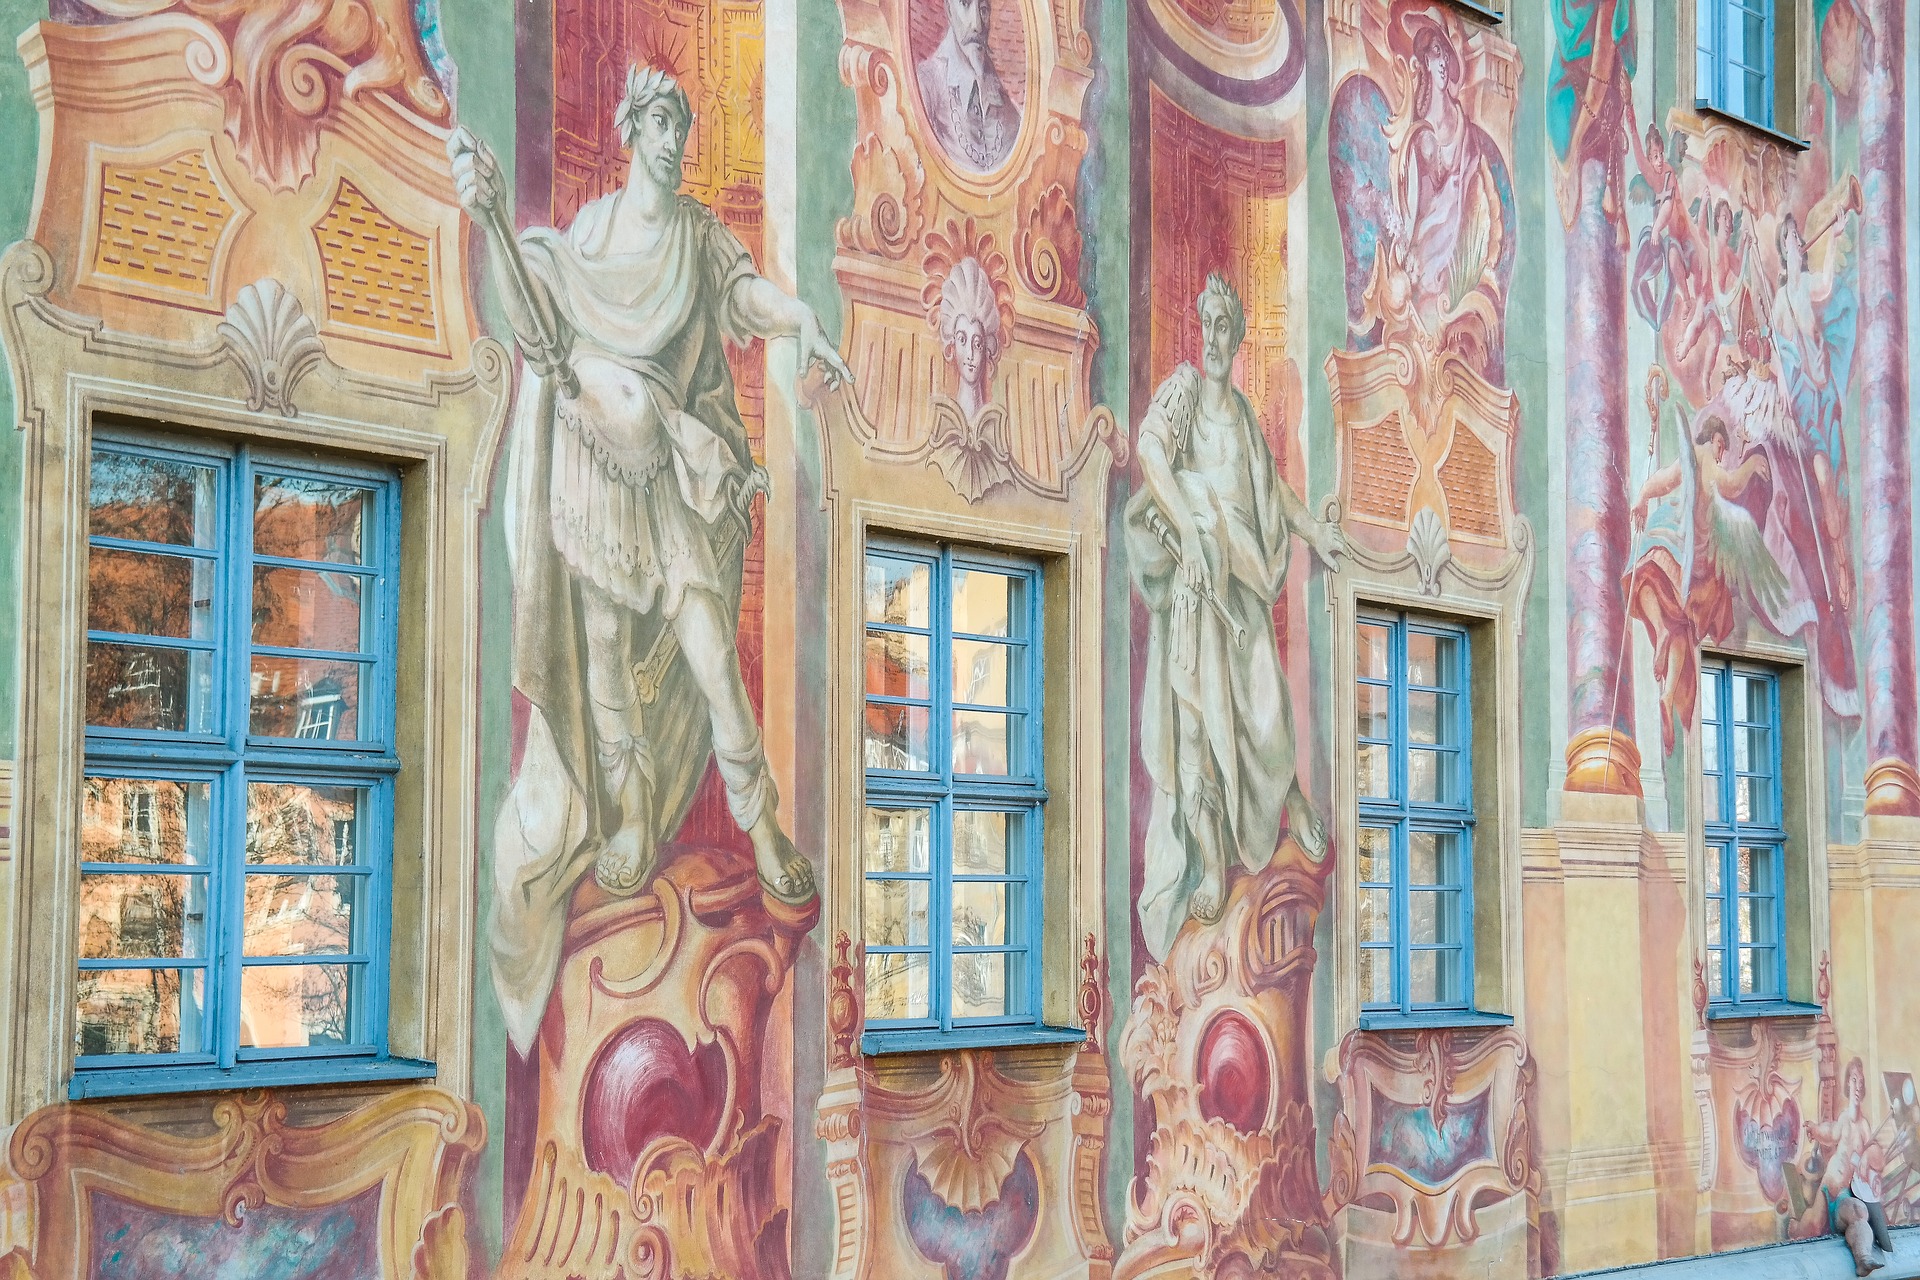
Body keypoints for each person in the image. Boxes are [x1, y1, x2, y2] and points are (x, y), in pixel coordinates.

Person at [450, 65, 853, 1048]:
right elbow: (537, 333)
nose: (674, 142)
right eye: (662, 124)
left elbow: (744, 295)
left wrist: (802, 319)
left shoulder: (696, 237)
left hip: (664, 472)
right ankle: (630, 817)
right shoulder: (584, 238)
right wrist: (492, 217)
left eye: (683, 126)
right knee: (601, 661)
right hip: (589, 468)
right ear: (632, 130)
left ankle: (764, 828)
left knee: (713, 660)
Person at [1126, 274, 1346, 962]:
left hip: (1242, 584)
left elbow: (1271, 490)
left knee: (1265, 709)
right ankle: (1211, 863)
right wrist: (1192, 541)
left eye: (1226, 327)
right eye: (1209, 325)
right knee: (1196, 728)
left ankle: (1294, 800)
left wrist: (1312, 531)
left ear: (1240, 336)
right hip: (1196, 593)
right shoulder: (1185, 390)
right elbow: (1151, 451)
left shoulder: (1245, 417)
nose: (1215, 339)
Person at [916, 0, 1020, 171]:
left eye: (983, 9)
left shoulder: (1007, 108)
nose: (977, 25)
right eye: (965, 4)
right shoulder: (926, 84)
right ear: (949, 10)